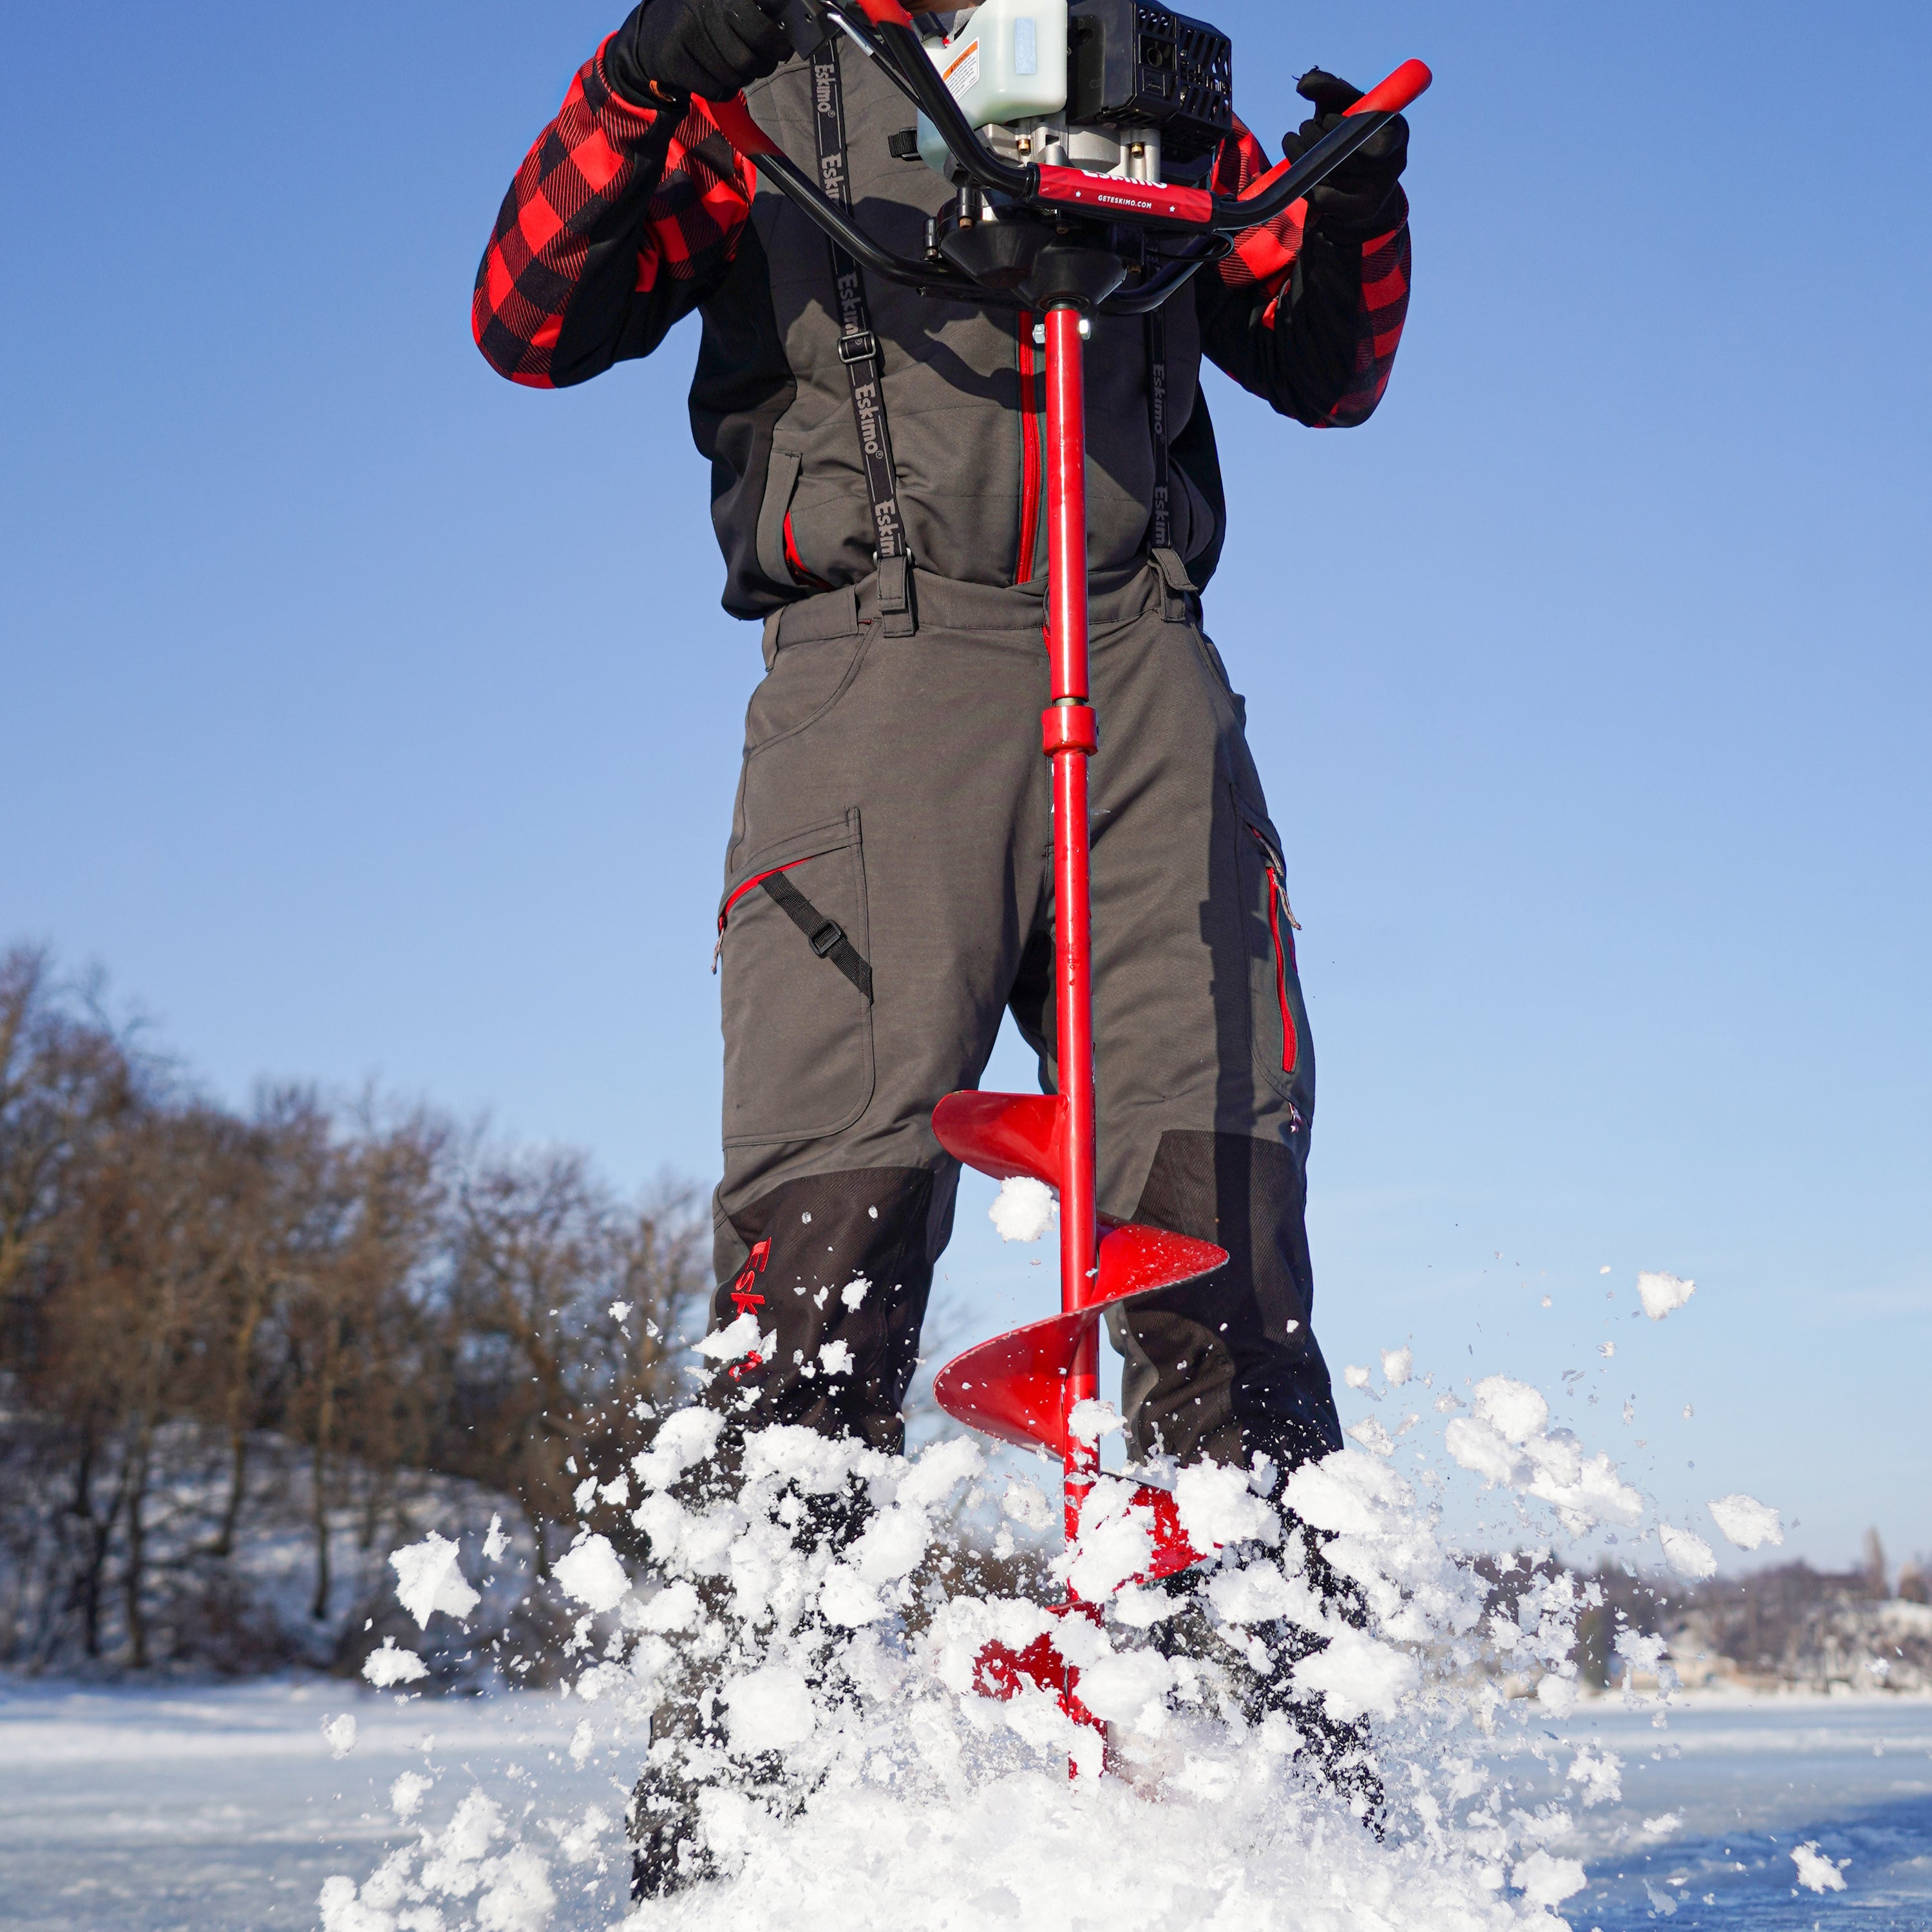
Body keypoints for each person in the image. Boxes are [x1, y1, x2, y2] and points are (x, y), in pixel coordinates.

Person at [475, 0, 1411, 1892]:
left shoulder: (1147, 80)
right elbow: (533, 318)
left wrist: (1358, 203)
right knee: (824, 1270)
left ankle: (1302, 1848)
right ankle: (734, 1860)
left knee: (1221, 1255)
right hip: (873, 673)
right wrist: (644, 77)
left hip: (1148, 670)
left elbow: (1330, 370)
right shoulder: (757, 85)